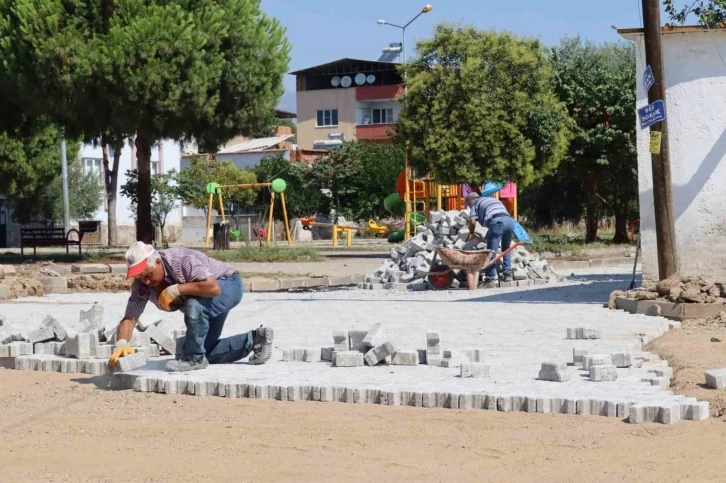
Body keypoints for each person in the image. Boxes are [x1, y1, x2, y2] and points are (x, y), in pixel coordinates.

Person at [108, 242, 274, 372]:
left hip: (228, 285)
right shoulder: (141, 286)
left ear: (158, 262)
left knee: (193, 305)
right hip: (204, 301)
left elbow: (212, 288)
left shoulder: (181, 259)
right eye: (140, 278)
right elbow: (129, 319)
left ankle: (194, 359)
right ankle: (255, 340)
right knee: (199, 349)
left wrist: (176, 289)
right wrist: (121, 343)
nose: (146, 282)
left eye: (148, 275)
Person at [465, 192, 515, 289]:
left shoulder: (475, 203)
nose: (469, 207)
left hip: (497, 222)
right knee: (506, 248)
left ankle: (490, 279)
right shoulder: (492, 200)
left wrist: (471, 233)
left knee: (490, 252)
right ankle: (507, 274)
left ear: (472, 199)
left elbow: (472, 222)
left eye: (468, 204)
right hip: (509, 221)